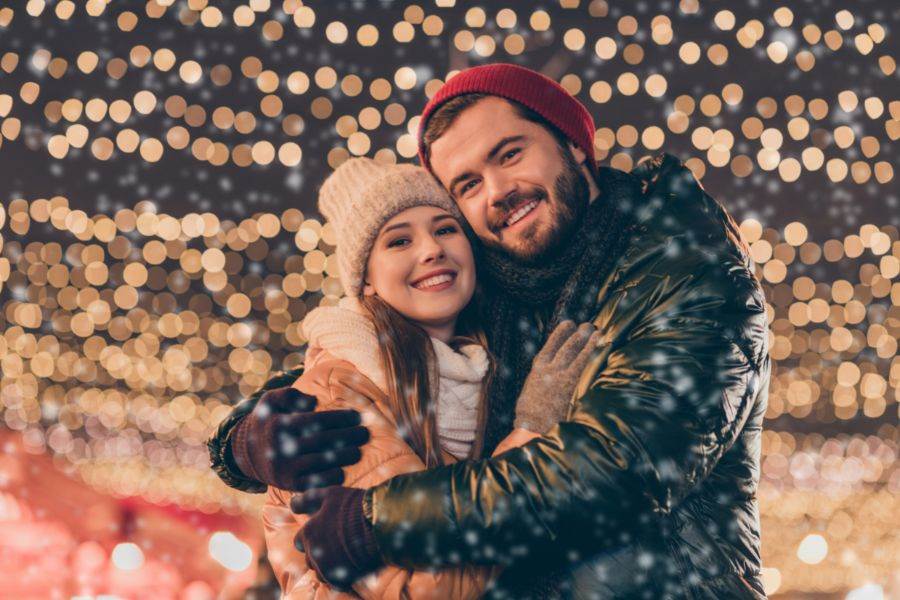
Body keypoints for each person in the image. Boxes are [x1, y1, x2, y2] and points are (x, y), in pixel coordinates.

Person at [210, 63, 770, 599]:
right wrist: (243, 441)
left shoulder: (685, 270)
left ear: (574, 144)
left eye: (510, 154)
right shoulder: (498, 281)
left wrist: (377, 521)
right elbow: (373, 356)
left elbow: (610, 474)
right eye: (468, 184)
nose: (498, 191)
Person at [261, 157, 600, 598]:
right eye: (399, 241)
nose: (431, 250)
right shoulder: (341, 388)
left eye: (444, 229)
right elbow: (418, 591)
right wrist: (532, 430)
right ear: (365, 281)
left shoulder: (487, 360)